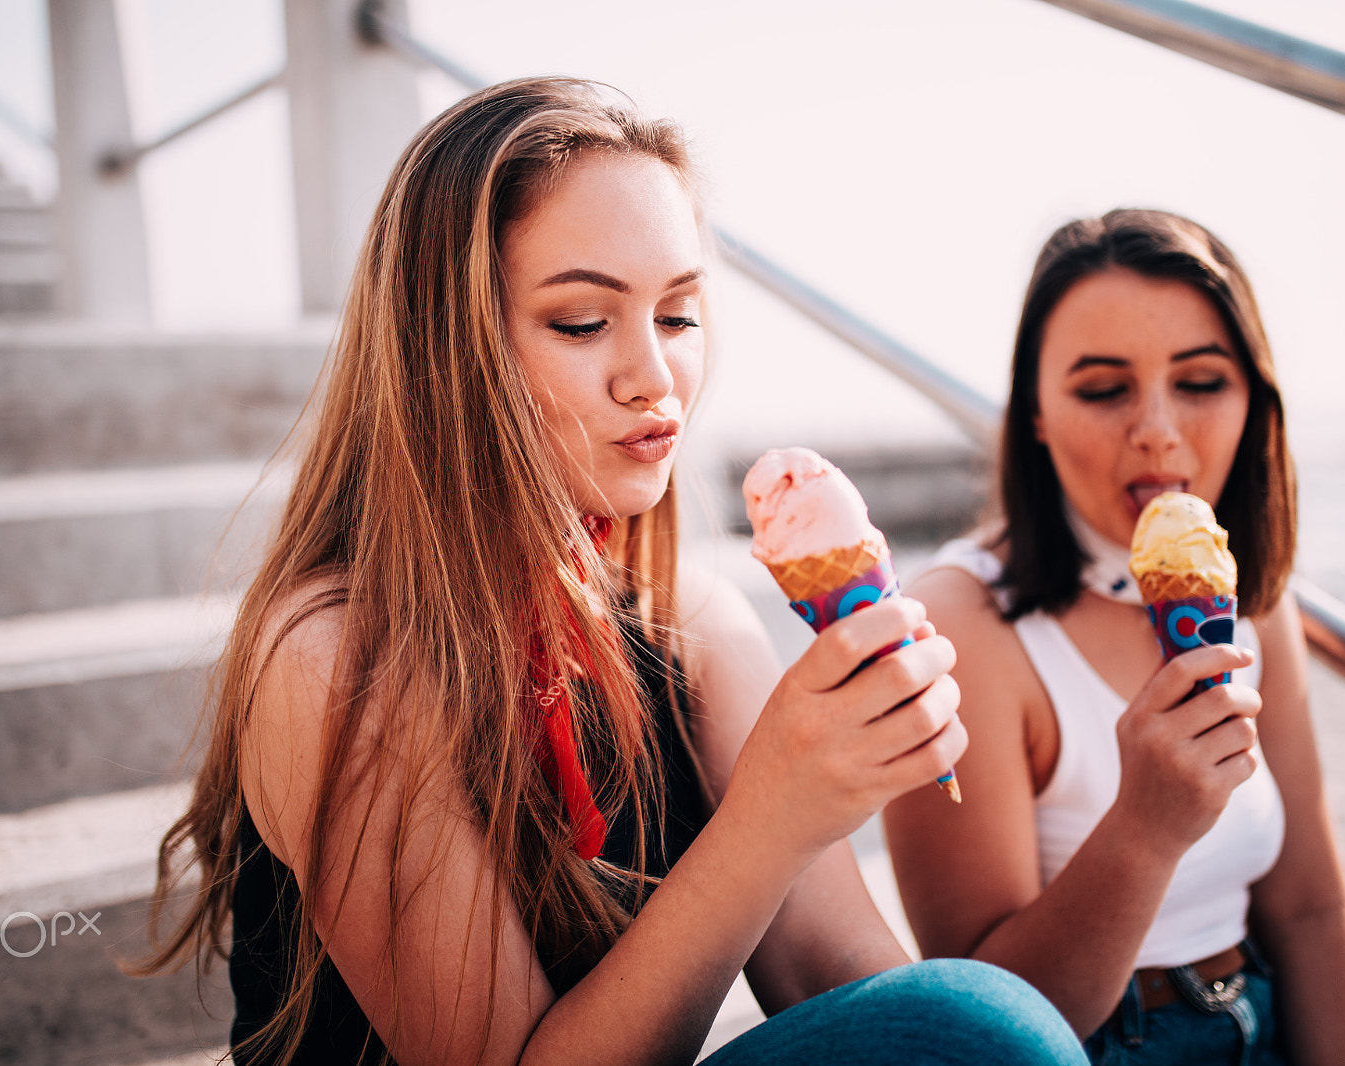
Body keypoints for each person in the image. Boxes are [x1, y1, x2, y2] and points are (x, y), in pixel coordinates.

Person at [133, 77, 1086, 1066]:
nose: (654, 375)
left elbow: (865, 997)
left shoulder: (692, 627)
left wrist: (842, 782)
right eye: (584, 323)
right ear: (447, 352)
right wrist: (770, 816)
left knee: (976, 1020)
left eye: (677, 315)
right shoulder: (330, 658)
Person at [882, 208, 1345, 1065]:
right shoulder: (959, 629)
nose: (1157, 427)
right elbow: (978, 1028)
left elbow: (1310, 911)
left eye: (1200, 381)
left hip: (1264, 1016)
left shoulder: (1251, 601)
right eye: (1104, 389)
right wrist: (1146, 828)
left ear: (1254, 400)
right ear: (1033, 412)